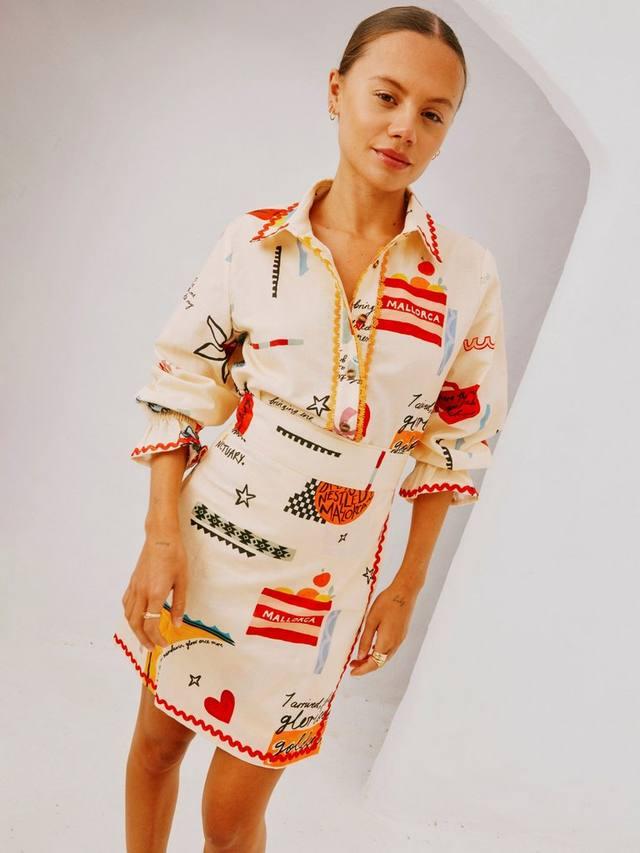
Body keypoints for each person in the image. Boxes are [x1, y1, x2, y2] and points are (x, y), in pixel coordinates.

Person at [114, 6, 509, 852]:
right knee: (155, 747)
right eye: (386, 96)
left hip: (321, 593)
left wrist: (406, 585)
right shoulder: (253, 244)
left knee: (232, 819)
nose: (404, 127)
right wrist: (159, 540)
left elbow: (451, 443)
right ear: (337, 92)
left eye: (433, 113)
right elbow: (180, 386)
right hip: (207, 548)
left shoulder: (466, 277)